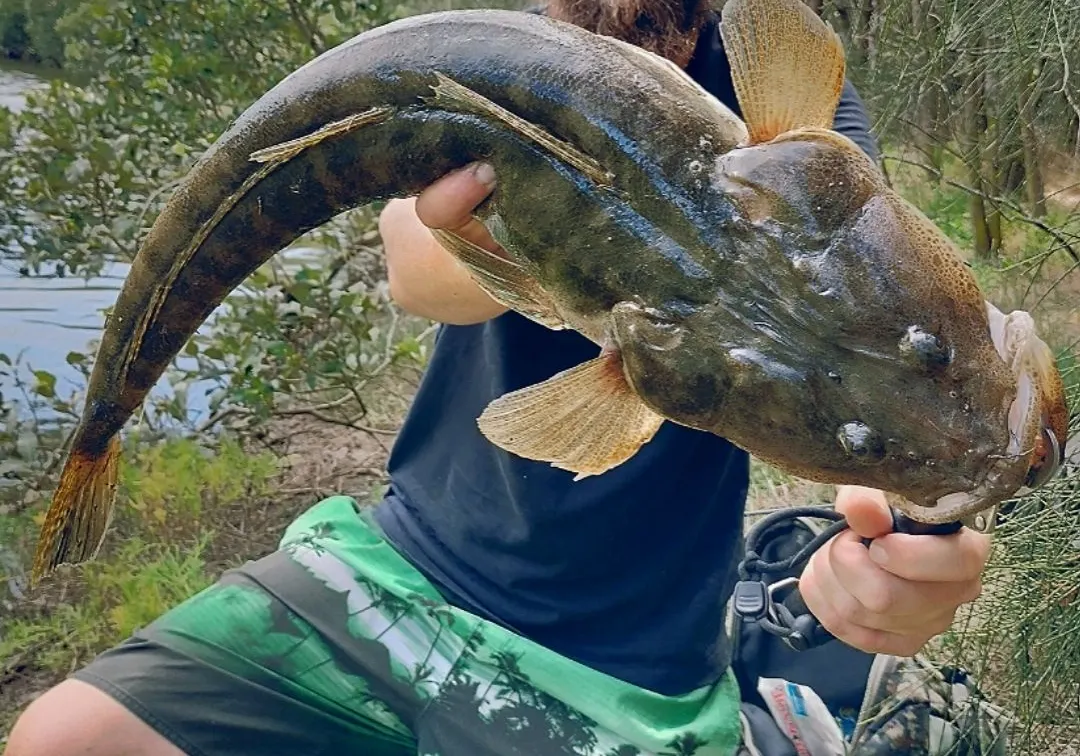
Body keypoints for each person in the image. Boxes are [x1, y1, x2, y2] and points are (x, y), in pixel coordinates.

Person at [6, 0, 991, 753]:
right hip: (394, 566)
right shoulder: (497, 63)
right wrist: (491, 242)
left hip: (632, 658)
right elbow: (412, 259)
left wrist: (915, 526)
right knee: (63, 738)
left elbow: (876, 328)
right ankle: (97, 437)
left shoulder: (803, 131)